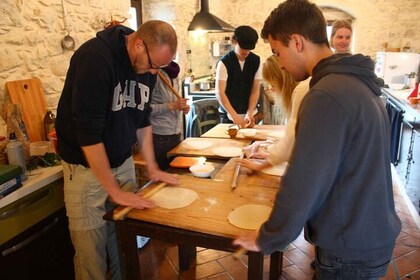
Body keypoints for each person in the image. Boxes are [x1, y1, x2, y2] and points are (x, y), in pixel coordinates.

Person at [233, 1, 402, 279]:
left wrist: (269, 237)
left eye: (278, 52)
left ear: (297, 42)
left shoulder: (325, 94)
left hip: (350, 244)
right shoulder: (353, 82)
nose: (282, 65)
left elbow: (304, 178)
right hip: (365, 233)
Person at [55, 20, 180, 280]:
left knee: (124, 245)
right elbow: (88, 135)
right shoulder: (95, 59)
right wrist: (113, 190)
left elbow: (142, 120)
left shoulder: (146, 67)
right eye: (154, 65)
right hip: (85, 169)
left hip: (122, 163)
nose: (155, 72)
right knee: (92, 254)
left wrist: (153, 168)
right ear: (138, 44)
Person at [239, 55, 310, 172]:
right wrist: (269, 156)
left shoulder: (301, 91)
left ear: (281, 79)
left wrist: (261, 165)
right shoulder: (305, 85)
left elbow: (290, 141)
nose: (272, 89)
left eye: (273, 83)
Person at [215, 25, 262, 128]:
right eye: (242, 48)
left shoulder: (256, 61)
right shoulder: (224, 63)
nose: (245, 52)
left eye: (248, 49)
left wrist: (250, 112)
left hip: (249, 115)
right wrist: (234, 116)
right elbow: (220, 93)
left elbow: (255, 90)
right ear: (234, 41)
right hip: (228, 115)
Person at [150, 61, 190, 170]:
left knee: (176, 171)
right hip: (159, 136)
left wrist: (182, 106)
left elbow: (175, 100)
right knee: (165, 174)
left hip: (176, 133)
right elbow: (144, 110)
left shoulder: (174, 73)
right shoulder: (153, 73)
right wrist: (172, 106)